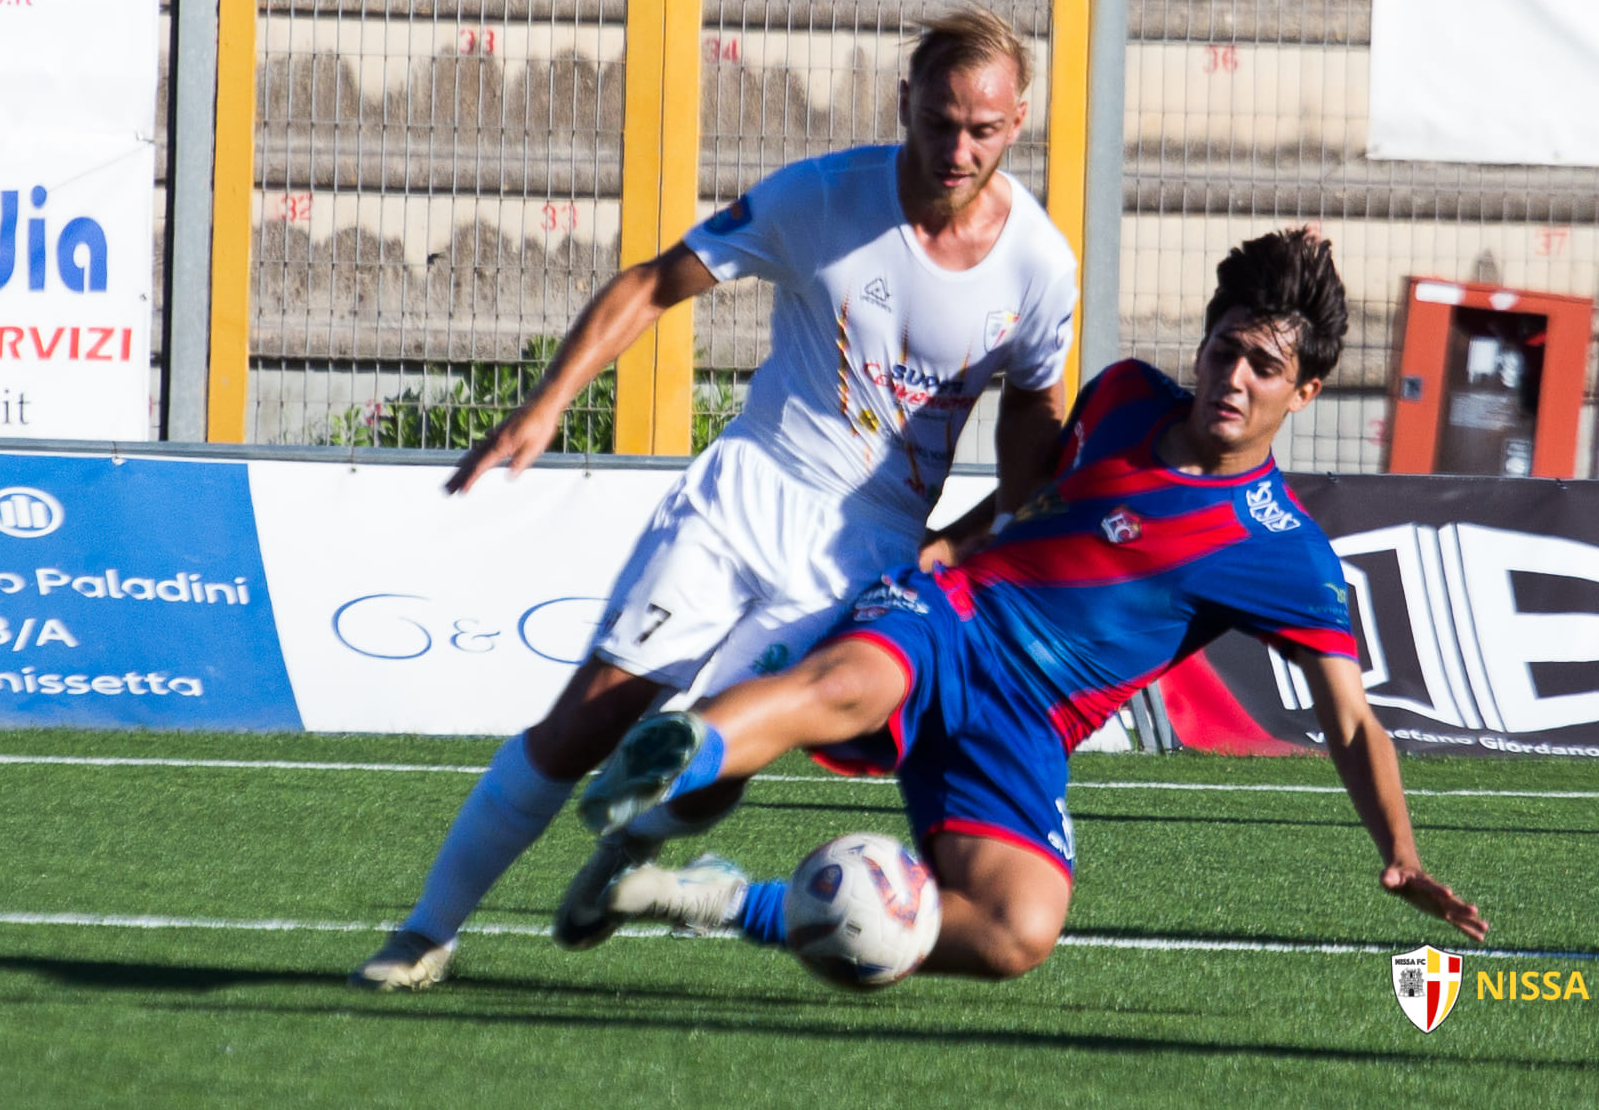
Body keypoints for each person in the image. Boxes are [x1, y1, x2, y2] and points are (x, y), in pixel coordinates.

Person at [351, 6, 1080, 989]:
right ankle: (425, 931)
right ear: (904, 102)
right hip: (751, 489)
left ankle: (623, 863)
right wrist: (545, 408)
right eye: (939, 121)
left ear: (1018, 121)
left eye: (982, 130)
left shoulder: (1039, 266)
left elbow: (1037, 421)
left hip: (863, 552)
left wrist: (978, 533)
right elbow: (653, 284)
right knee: (588, 723)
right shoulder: (821, 196)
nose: (958, 148)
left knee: (714, 756)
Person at [575, 228, 1488, 980]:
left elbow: (1352, 720)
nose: (1237, 378)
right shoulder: (1125, 394)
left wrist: (1401, 853)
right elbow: (1034, 491)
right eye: (1226, 350)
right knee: (850, 684)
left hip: (1029, 723)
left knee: (1018, 932)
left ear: (1305, 391)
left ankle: (723, 899)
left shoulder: (1284, 551)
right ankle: (679, 756)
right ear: (1201, 346)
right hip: (956, 618)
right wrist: (950, 546)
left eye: (1265, 365)